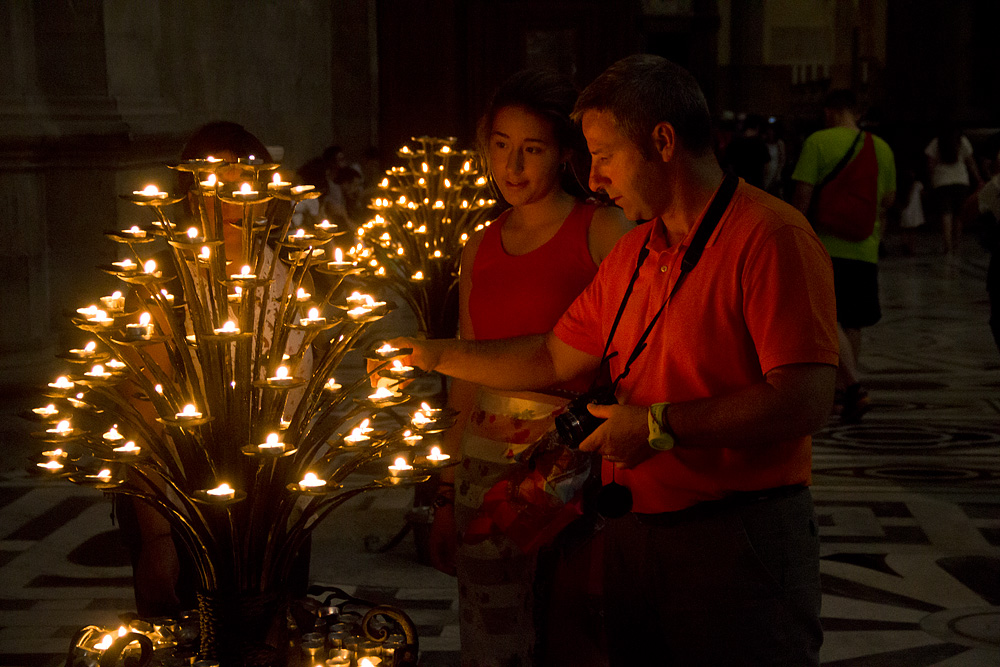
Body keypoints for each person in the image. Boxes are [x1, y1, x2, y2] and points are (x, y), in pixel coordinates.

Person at [383, 55, 837, 666]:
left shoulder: (769, 236)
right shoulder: (638, 253)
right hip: (636, 531)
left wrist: (660, 427)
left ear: (663, 141)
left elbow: (804, 399)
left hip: (736, 536)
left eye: (604, 155)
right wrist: (436, 354)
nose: (593, 179)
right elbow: (553, 355)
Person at [430, 69, 631, 667]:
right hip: (485, 467)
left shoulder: (600, 228)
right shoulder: (480, 245)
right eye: (500, 145)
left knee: (576, 629)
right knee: (494, 633)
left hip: (576, 461)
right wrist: (445, 488)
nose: (512, 166)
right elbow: (466, 372)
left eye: (532, 149)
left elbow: (631, 353)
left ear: (565, 152)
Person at [117, 121, 312, 616]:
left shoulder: (293, 277)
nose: (235, 198)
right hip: (186, 514)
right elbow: (140, 414)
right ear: (190, 195)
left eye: (247, 179)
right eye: (216, 184)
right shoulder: (165, 284)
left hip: (276, 509)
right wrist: (157, 536)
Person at [791, 90, 896, 423]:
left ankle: (851, 387)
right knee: (853, 320)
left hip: (826, 246)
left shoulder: (818, 142)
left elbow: (802, 198)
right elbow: (889, 200)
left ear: (830, 111)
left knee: (825, 317)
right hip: (865, 247)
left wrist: (795, 239)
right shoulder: (881, 147)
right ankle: (842, 394)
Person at [925, 122, 982, 254]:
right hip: (961, 180)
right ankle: (956, 244)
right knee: (958, 215)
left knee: (946, 214)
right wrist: (978, 179)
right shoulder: (962, 141)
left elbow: (930, 163)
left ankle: (947, 245)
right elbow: (970, 161)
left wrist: (931, 179)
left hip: (942, 181)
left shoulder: (936, 142)